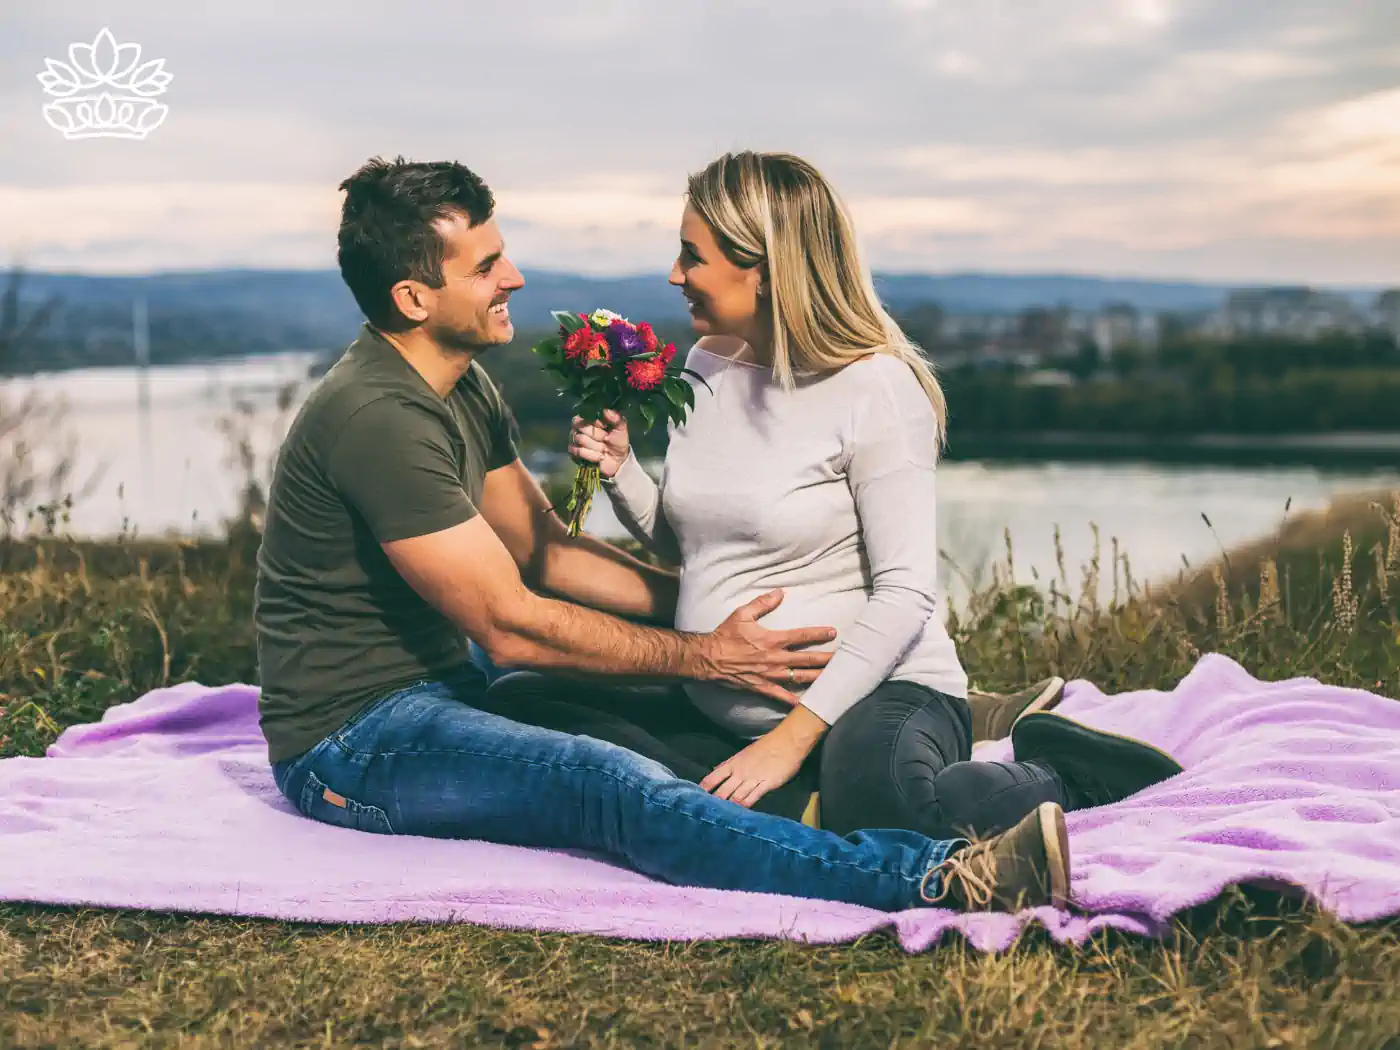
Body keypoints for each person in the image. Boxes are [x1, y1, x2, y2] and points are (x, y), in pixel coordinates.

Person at [254, 154, 1076, 916]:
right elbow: (507, 623)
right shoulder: (379, 418)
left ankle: (923, 738)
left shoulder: (458, 388)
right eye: (485, 267)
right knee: (599, 778)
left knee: (542, 698)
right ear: (413, 299)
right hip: (356, 739)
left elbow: (546, 552)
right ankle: (937, 879)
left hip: (442, 681)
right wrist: (704, 653)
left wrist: (707, 620)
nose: (516, 276)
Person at [483, 150, 1183, 839]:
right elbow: (689, 547)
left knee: (893, 816)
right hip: (720, 702)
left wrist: (788, 739)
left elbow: (906, 594)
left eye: (692, 256)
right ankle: (789, 805)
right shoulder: (705, 366)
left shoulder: (876, 388)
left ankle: (1061, 771)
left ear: (763, 264)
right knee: (524, 696)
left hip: (876, 695)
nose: (674, 275)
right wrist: (622, 471)